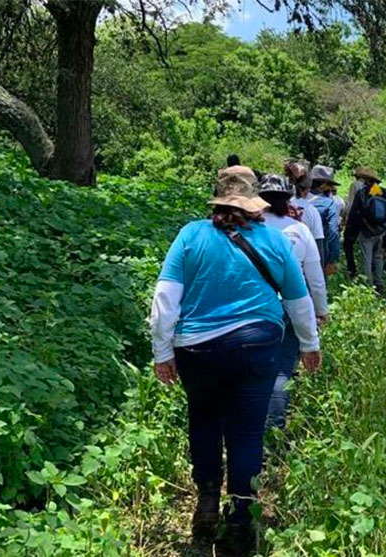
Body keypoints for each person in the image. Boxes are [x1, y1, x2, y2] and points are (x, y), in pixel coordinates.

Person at [149, 166, 321, 555]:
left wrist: (162, 352)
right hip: (256, 346)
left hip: (197, 349)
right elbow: (297, 300)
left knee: (205, 420)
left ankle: (208, 499)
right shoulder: (275, 241)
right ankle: (241, 523)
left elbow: (165, 300)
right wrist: (309, 344)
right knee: (247, 433)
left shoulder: (190, 235)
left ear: (217, 201)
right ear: (254, 204)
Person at [258, 174, 328, 430]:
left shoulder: (245, 229)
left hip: (253, 308)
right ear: (288, 199)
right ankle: (274, 430)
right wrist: (321, 311)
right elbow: (315, 278)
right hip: (289, 308)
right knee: (281, 370)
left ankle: (245, 429)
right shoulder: (298, 231)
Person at [344, 167, 386, 290]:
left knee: (367, 257)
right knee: (378, 257)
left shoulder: (362, 193)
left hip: (366, 231)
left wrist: (350, 229)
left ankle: (368, 284)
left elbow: (353, 213)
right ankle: (379, 282)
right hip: (381, 231)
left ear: (366, 180)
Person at [285, 159, 325, 261]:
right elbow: (318, 243)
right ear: (307, 189)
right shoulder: (311, 211)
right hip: (304, 262)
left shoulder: (277, 207)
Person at [344, 168, 380, 278]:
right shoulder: (377, 189)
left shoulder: (355, 185)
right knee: (376, 253)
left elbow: (351, 204)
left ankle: (353, 271)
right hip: (375, 224)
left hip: (358, 220)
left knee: (348, 244)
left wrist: (346, 219)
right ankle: (377, 277)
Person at [308, 165, 342, 274]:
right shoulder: (328, 203)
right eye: (330, 185)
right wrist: (333, 258)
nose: (331, 188)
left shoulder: (297, 199)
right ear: (323, 185)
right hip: (320, 248)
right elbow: (333, 231)